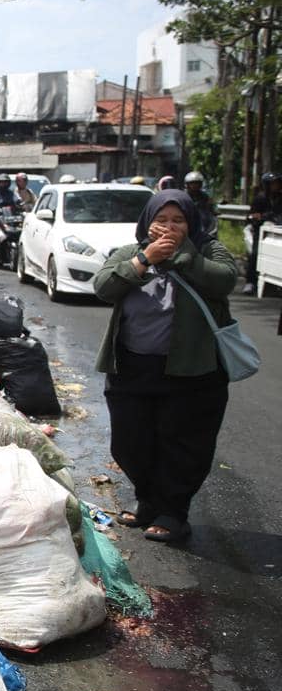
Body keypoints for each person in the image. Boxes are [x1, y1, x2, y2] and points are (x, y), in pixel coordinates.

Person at [93, 190, 238, 543]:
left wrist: (183, 255)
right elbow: (104, 287)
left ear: (191, 224)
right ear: (147, 223)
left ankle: (173, 513)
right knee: (129, 442)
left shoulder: (207, 251)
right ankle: (148, 500)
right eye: (161, 220)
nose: (169, 228)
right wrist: (145, 259)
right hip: (132, 369)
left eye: (178, 221)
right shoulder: (130, 253)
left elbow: (224, 280)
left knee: (183, 446)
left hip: (193, 373)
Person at [248, 171, 282, 293]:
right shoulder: (260, 198)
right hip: (261, 231)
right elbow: (251, 215)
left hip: (278, 229)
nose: (276, 186)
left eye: (277, 183)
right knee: (256, 253)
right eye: (273, 183)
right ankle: (250, 281)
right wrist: (259, 217)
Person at [183, 171, 217, 239]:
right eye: (192, 183)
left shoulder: (205, 196)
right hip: (188, 219)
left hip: (204, 222)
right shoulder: (183, 196)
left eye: (197, 183)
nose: (195, 186)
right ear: (187, 184)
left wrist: (214, 210)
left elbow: (212, 207)